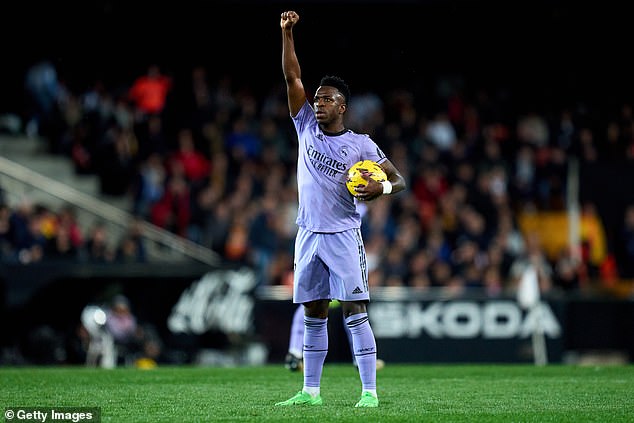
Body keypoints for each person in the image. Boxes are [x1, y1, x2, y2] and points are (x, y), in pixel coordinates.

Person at [275, 10, 406, 408]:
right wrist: (288, 35)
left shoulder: (363, 145)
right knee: (314, 311)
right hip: (308, 233)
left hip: (344, 235)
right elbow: (291, 77)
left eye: (327, 99)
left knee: (354, 309)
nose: (318, 102)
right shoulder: (305, 127)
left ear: (343, 107)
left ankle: (369, 393)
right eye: (316, 97)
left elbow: (398, 180)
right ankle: (310, 392)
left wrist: (378, 186)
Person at [284, 302, 386, 372]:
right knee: (353, 311)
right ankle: (361, 360)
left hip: (325, 281)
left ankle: (294, 355)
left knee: (308, 306)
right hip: (337, 279)